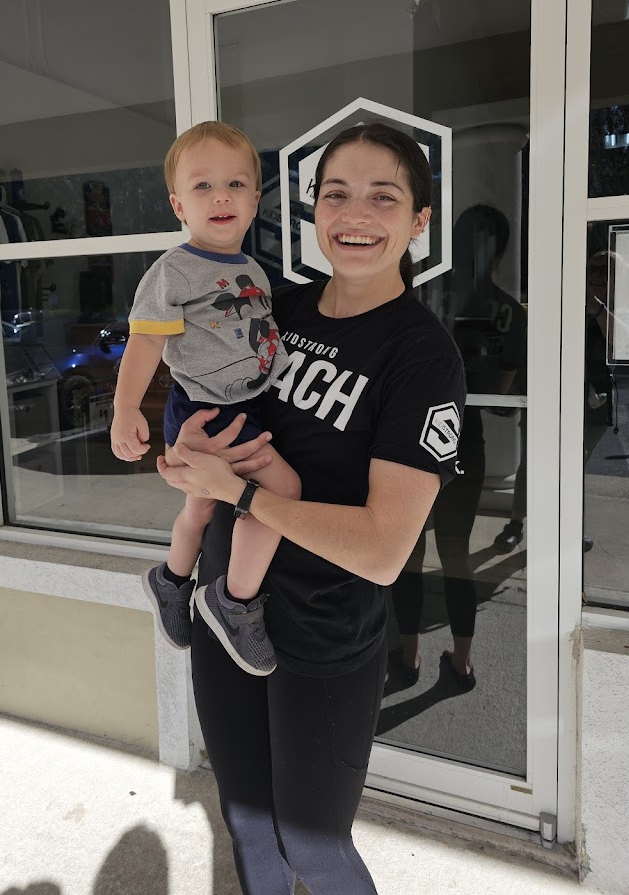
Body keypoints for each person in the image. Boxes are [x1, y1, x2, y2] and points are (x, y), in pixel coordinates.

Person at [156, 122, 466, 895]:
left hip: (323, 634)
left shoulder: (421, 355)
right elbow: (199, 397)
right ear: (313, 209)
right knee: (248, 822)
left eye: (383, 197)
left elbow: (384, 550)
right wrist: (187, 449)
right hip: (226, 608)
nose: (355, 215)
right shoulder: (272, 308)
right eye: (336, 194)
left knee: (312, 847)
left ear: (419, 221)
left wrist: (242, 492)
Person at [111, 122, 300, 677]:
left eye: (235, 184)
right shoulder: (174, 271)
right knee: (284, 491)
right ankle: (234, 601)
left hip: (244, 405)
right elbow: (145, 343)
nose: (221, 197)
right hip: (207, 410)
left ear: (255, 200)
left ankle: (171, 580)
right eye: (203, 186)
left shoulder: (251, 269)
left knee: (201, 505)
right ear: (178, 205)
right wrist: (125, 409)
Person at [389, 203, 526, 692]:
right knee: (456, 552)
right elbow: (504, 401)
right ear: (501, 252)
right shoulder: (509, 311)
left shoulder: (421, 293)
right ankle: (462, 663)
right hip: (464, 440)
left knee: (408, 550)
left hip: (408, 438)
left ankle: (408, 655)